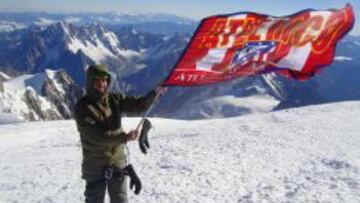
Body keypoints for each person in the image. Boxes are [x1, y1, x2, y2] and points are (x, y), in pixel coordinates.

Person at [74, 64, 159, 203]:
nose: (102, 84)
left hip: (117, 161)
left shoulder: (114, 99)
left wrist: (155, 93)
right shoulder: (82, 108)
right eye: (97, 80)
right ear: (90, 82)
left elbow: (138, 105)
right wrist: (125, 137)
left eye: (104, 79)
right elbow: (99, 138)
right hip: (95, 165)